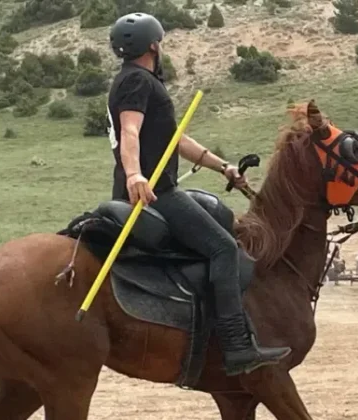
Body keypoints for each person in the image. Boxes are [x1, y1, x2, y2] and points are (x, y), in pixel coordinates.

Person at [106, 12, 290, 376]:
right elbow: (130, 132)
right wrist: (134, 174)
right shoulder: (138, 82)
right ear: (155, 45)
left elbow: (176, 140)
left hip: (154, 186)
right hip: (156, 192)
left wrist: (223, 167)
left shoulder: (136, 80)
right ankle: (237, 346)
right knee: (222, 247)